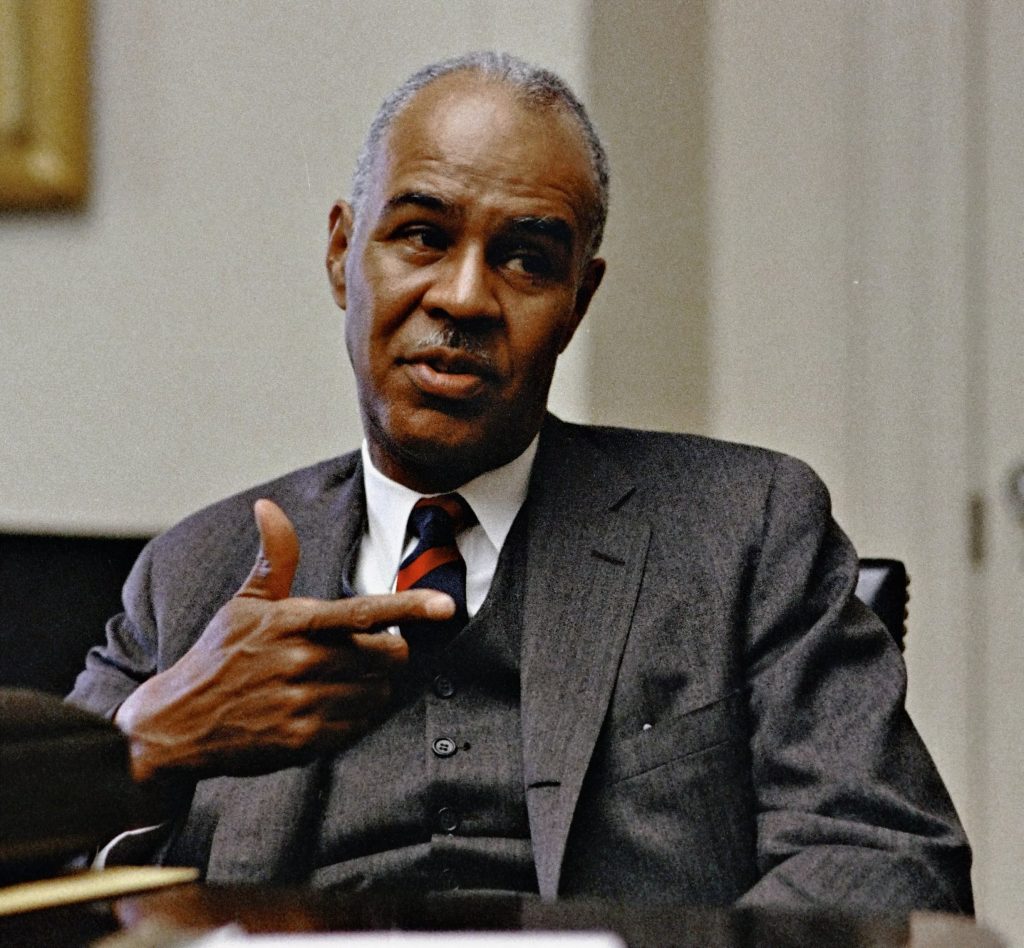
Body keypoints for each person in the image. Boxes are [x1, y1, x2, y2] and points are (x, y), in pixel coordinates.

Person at [68, 52, 972, 913]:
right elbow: (26, 851)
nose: (464, 297)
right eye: (422, 236)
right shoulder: (194, 574)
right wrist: (148, 743)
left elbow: (886, 856)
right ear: (343, 253)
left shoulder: (744, 530)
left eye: (527, 259)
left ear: (578, 300)